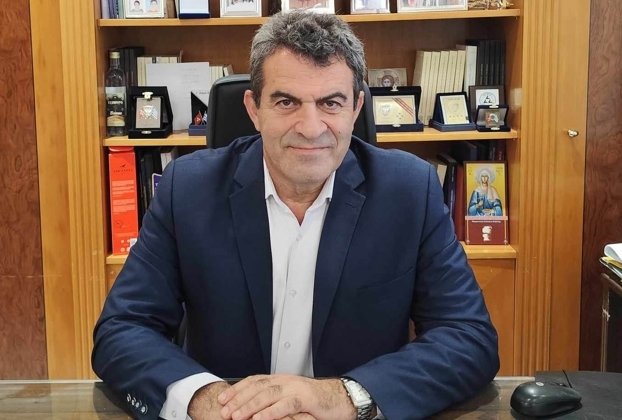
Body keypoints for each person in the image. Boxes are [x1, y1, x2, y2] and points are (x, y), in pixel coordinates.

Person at [92, 10, 499, 420]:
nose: (310, 127)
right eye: (286, 102)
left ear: (357, 107)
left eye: (331, 103)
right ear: (254, 109)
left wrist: (342, 397)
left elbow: (468, 337)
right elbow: (122, 329)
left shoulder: (409, 192)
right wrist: (206, 400)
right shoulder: (188, 189)